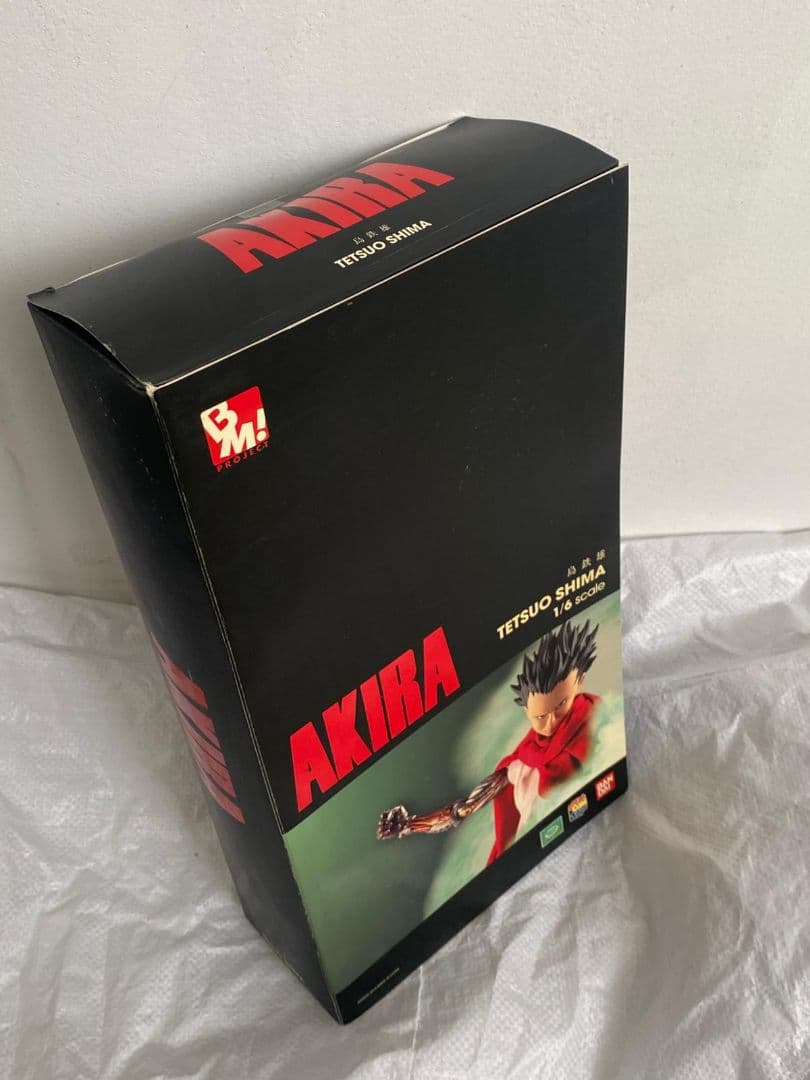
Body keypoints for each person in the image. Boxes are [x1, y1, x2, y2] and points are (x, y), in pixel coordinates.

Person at [376, 619, 600, 864]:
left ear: (579, 682)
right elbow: (461, 810)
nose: (553, 722)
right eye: (540, 717)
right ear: (527, 711)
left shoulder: (599, 717)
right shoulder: (519, 765)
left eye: (561, 705)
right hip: (540, 848)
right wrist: (412, 824)